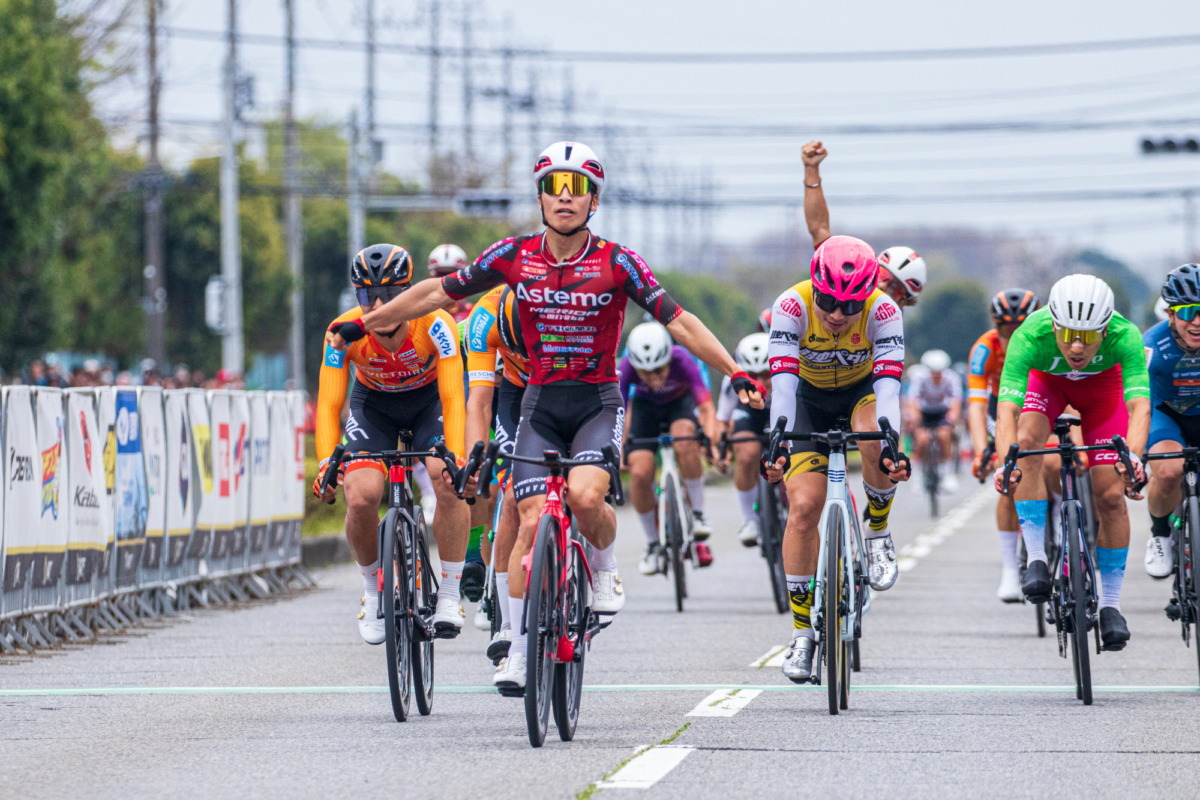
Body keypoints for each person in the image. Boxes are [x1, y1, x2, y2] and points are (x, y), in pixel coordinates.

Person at [327, 141, 764, 691]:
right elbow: (437, 291)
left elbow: (679, 322)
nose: (564, 198)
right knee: (528, 514)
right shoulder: (513, 255)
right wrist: (369, 323)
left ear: (593, 202)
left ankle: (605, 572)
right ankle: (516, 647)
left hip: (597, 402)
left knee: (584, 499)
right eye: (554, 187)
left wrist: (736, 371)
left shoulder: (617, 261)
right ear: (539, 196)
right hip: (538, 402)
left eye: (577, 188)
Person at [762, 235, 911, 682]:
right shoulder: (792, 306)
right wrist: (778, 443)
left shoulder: (884, 311)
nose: (837, 314)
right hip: (806, 398)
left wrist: (891, 446)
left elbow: (888, 391)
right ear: (815, 287)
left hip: (860, 393)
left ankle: (878, 531)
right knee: (804, 508)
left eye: (851, 306)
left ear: (868, 297)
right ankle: (803, 633)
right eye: (828, 301)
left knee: (875, 441)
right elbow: (783, 387)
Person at [313, 243, 471, 645]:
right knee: (362, 494)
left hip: (429, 402)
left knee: (446, 478)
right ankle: (372, 591)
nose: (379, 305)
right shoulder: (342, 332)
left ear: (409, 292)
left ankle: (450, 595)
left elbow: (454, 398)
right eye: (368, 296)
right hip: (375, 407)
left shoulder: (437, 324)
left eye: (391, 295)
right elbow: (330, 405)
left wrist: (454, 456)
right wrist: (324, 464)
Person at [993, 274, 1149, 651]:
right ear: (1053, 323)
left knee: (1111, 497)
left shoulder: (1125, 335)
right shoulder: (1031, 334)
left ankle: (1111, 605)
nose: (1077, 346)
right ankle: (1035, 557)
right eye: (1067, 334)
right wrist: (1005, 462)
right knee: (1027, 444)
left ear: (1106, 326)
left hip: (1103, 391)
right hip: (1048, 384)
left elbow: (1139, 405)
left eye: (1089, 335)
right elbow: (1007, 410)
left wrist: (1134, 458)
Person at [619, 321, 718, 575]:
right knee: (640, 472)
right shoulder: (627, 365)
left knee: (684, 440)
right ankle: (652, 543)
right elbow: (618, 411)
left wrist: (710, 437)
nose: (654, 379)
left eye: (659, 371)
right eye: (645, 373)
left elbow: (706, 406)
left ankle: (697, 514)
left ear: (668, 358)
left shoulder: (682, 359)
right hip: (645, 409)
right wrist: (618, 447)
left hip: (679, 405)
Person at [463, 284, 530, 660]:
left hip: (560, 384)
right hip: (513, 392)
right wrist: (474, 458)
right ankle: (506, 619)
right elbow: (479, 401)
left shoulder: (563, 307)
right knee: (509, 492)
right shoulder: (482, 318)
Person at [967, 288, 1041, 601]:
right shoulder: (985, 348)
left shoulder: (1045, 340)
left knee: (1050, 463)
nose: (1012, 337)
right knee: (1008, 477)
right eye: (1005, 330)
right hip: (1003, 405)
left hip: (1038, 401)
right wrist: (980, 448)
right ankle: (1010, 568)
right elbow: (976, 405)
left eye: (1019, 329)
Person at [801, 140, 927, 308]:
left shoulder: (891, 324)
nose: (883, 286)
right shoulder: (845, 280)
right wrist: (811, 169)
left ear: (905, 301)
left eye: (895, 287)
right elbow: (819, 228)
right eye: (883, 276)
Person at [1142, 264, 1200, 590]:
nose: (1197, 322)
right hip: (1165, 414)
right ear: (1171, 314)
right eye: (1189, 312)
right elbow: (1135, 402)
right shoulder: (1151, 345)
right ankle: (1160, 535)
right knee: (1167, 472)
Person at [716, 332, 772, 547]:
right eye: (752, 375)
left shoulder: (790, 374)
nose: (760, 382)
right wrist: (722, 450)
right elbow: (722, 420)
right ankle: (750, 520)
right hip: (749, 412)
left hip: (782, 407)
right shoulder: (731, 381)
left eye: (766, 374)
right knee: (747, 453)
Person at [905, 349, 963, 494]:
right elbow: (913, 400)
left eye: (939, 372)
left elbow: (956, 401)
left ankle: (947, 474)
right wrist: (915, 418)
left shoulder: (952, 377)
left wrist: (953, 418)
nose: (936, 375)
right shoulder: (920, 377)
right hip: (924, 412)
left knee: (944, 436)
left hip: (942, 411)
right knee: (922, 440)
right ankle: (918, 476)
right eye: (933, 372)